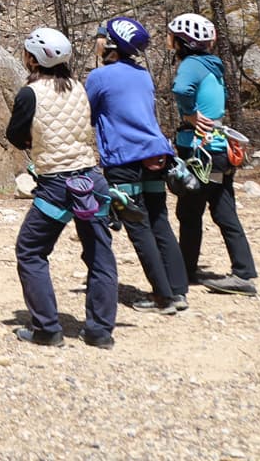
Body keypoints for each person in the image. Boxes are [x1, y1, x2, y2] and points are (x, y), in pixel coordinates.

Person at [7, 27, 118, 349]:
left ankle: (47, 328)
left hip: (56, 184)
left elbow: (15, 135)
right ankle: (100, 331)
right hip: (91, 180)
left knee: (31, 250)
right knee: (99, 254)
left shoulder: (29, 94)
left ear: (33, 59)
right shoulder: (79, 87)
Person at [85, 16, 189, 313]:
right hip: (156, 155)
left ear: (111, 45)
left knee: (138, 225)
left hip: (124, 158)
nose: (97, 41)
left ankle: (163, 297)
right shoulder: (143, 75)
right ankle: (178, 291)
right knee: (158, 220)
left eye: (101, 36)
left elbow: (86, 113)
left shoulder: (99, 77)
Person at [168, 12, 257, 296]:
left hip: (201, 149)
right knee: (222, 209)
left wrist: (191, 115)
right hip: (217, 148)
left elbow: (181, 89)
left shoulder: (192, 64)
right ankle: (242, 271)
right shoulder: (212, 65)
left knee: (190, 211)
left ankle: (187, 270)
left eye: (173, 37)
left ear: (183, 42)